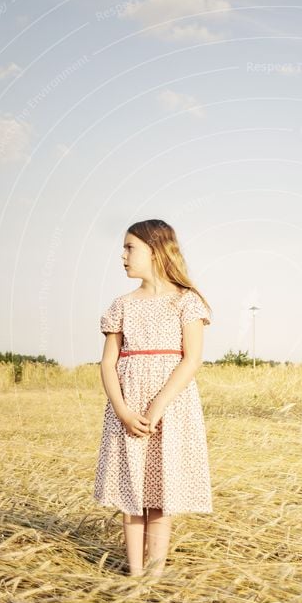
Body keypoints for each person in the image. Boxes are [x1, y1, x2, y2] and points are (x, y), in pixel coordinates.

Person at [93, 219, 213, 578]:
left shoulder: (186, 302)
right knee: (132, 492)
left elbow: (191, 359)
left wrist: (158, 407)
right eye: (124, 248)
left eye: (131, 248)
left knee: (160, 493)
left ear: (156, 250)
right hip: (128, 407)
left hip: (170, 408)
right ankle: (134, 573)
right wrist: (122, 410)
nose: (123, 255)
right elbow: (108, 362)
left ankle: (155, 576)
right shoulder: (122, 305)